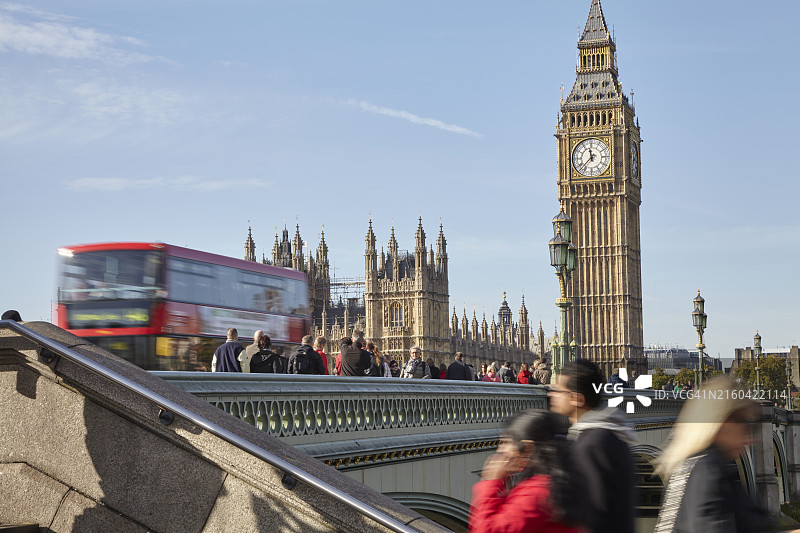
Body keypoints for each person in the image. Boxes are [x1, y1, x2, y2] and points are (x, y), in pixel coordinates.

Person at [654, 376, 772, 533]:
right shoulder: (709, 473)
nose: (752, 438)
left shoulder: (689, 466)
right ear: (721, 422)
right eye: (745, 423)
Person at [547, 359, 636, 533]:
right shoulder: (609, 433)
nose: (551, 394)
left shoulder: (592, 445)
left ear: (577, 399)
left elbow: (594, 515)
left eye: (558, 391)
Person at [469, 409, 586, 533]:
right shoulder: (556, 483)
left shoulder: (536, 493)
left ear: (528, 449)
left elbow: (487, 530)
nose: (500, 450)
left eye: (507, 443)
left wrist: (491, 482)